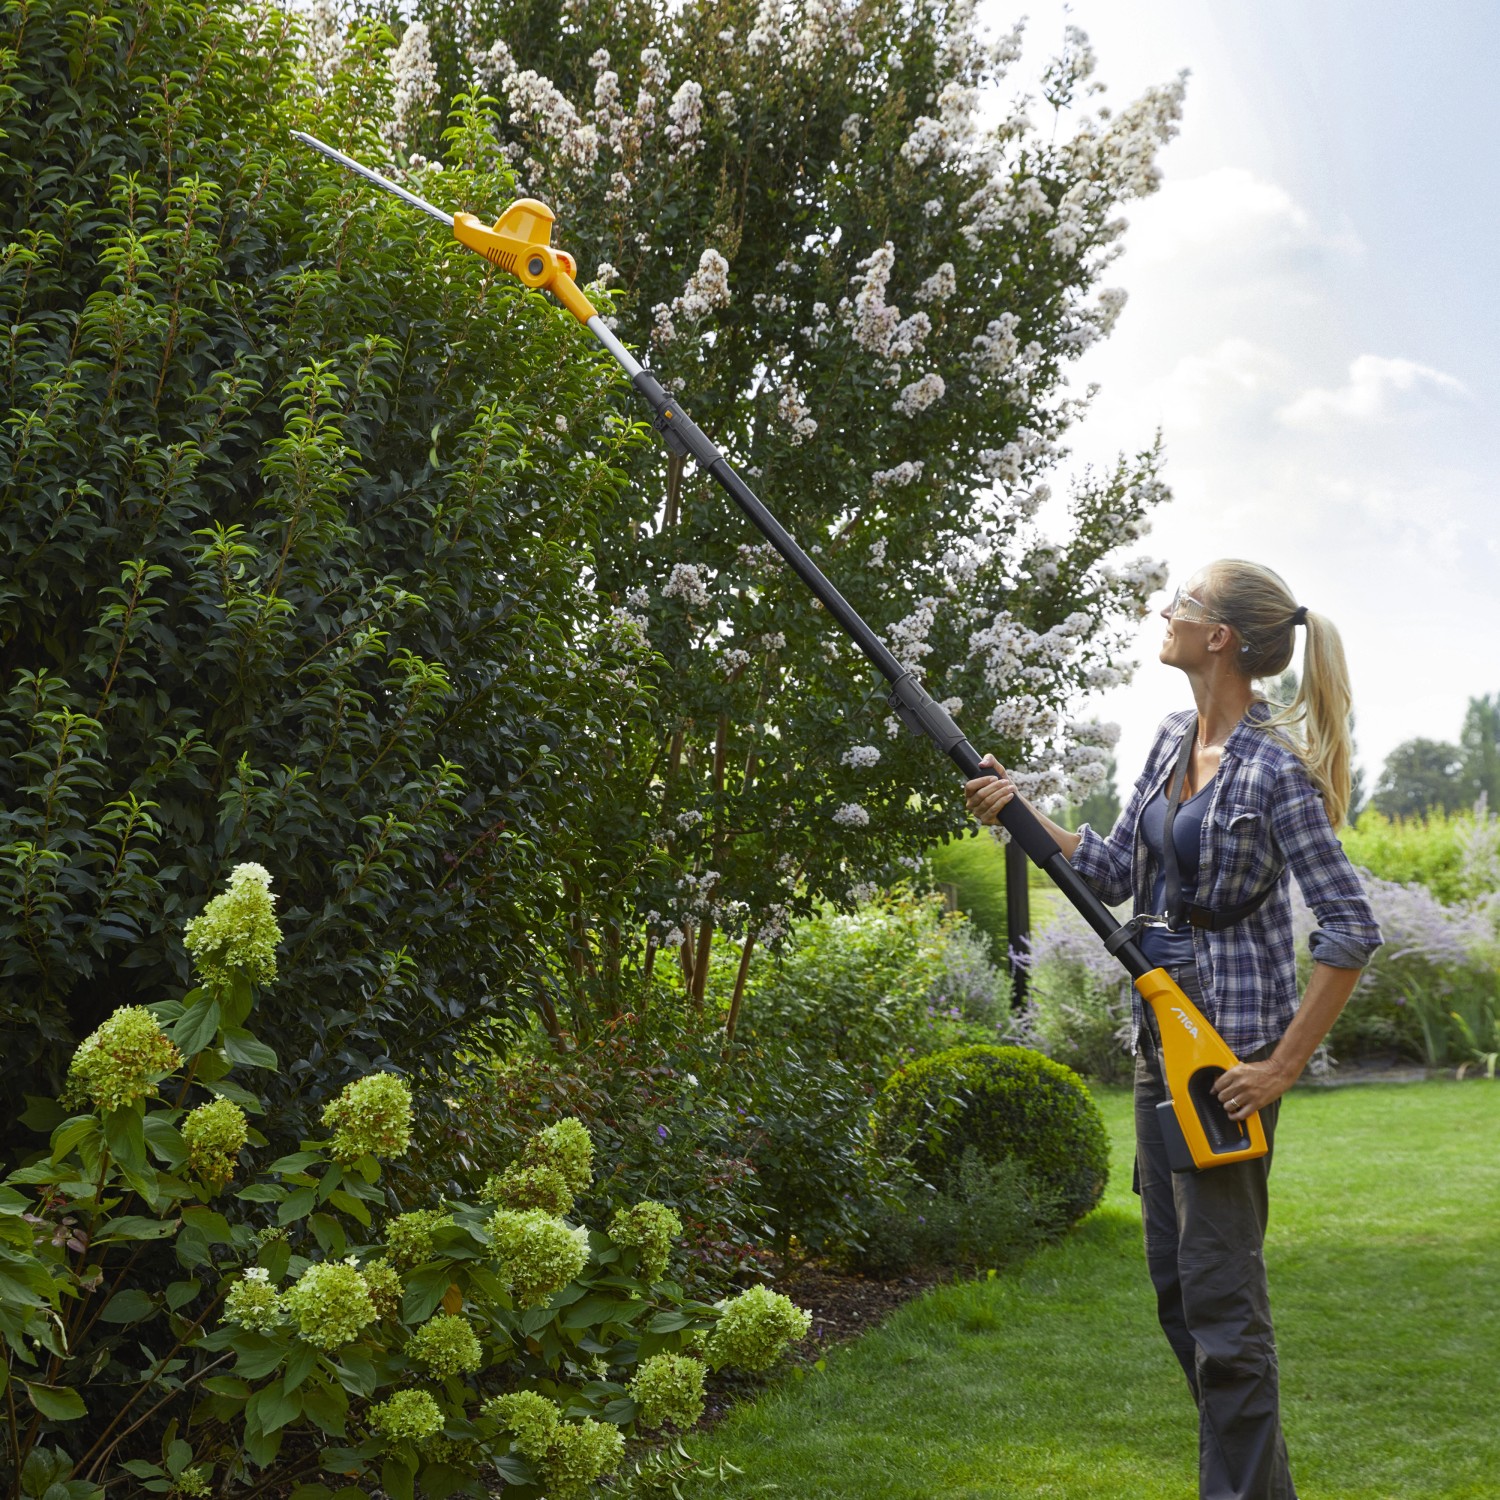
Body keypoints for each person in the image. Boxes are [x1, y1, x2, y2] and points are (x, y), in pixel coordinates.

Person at [963, 559, 1382, 1500]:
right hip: (1162, 1044)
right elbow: (1114, 869)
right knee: (1181, 1297)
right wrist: (1016, 807)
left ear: (1219, 637)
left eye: (1182, 603)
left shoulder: (1275, 769)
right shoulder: (1169, 738)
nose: (1166, 611)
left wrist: (1279, 1068)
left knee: (1223, 1307)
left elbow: (1351, 927)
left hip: (1226, 1063)